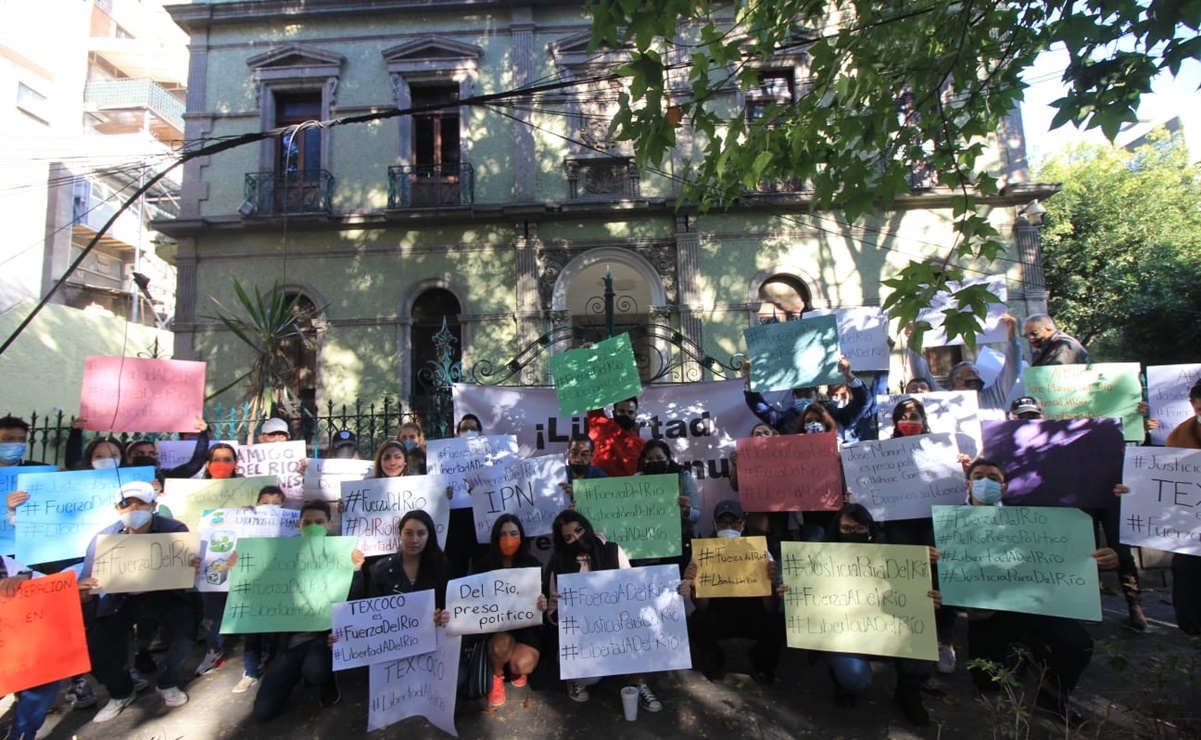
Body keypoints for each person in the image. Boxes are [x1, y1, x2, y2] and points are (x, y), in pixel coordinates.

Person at [961, 458, 1118, 725]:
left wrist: (1106, 559)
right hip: (986, 613)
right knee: (987, 683)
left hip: (1035, 604)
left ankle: (1055, 694)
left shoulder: (1034, 519)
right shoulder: (946, 522)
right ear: (967, 484)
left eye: (993, 478)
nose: (984, 482)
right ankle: (1019, 654)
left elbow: (1068, 554)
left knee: (1077, 644)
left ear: (1003, 488)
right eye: (978, 476)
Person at [79, 481, 198, 723]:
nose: (133, 508)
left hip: (166, 594)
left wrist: (192, 565)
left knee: (185, 636)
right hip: (121, 599)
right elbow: (84, 588)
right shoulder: (103, 538)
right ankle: (121, 692)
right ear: (117, 509)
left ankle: (167, 682)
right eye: (125, 503)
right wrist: (85, 589)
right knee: (97, 650)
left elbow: (190, 571)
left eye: (140, 502)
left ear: (154, 505)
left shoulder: (174, 529)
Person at [816, 503, 941, 725]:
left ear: (871, 530)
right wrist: (789, 592)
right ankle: (844, 685)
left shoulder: (893, 556)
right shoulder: (820, 557)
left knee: (923, 652)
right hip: (844, 633)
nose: (852, 534)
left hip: (887, 626)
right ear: (837, 529)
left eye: (860, 529)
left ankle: (908, 693)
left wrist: (927, 599)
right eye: (846, 529)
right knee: (854, 675)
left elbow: (910, 594)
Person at [252, 499, 366, 720]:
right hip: (289, 642)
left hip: (322, 638)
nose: (313, 526)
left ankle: (326, 678)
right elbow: (259, 588)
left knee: (316, 670)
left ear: (329, 524)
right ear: (298, 525)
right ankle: (296, 671)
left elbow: (354, 600)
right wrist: (240, 565)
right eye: (307, 522)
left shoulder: (341, 551)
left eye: (319, 522)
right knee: (262, 712)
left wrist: (357, 570)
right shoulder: (281, 553)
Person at [545, 510, 662, 712]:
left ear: (587, 527)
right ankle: (574, 676)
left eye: (579, 530)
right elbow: (553, 617)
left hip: (618, 623)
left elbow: (633, 591)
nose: (577, 538)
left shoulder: (613, 551)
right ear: (563, 542)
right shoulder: (560, 562)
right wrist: (554, 607)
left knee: (647, 624)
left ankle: (637, 681)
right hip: (583, 634)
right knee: (590, 677)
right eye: (569, 537)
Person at [681, 500, 784, 685]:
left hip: (753, 615)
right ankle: (714, 661)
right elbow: (702, 606)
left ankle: (763, 664)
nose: (728, 527)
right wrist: (695, 582)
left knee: (777, 624)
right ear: (714, 525)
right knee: (698, 622)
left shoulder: (760, 552)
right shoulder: (703, 554)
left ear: (742, 525)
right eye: (723, 523)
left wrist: (770, 581)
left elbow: (770, 609)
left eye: (733, 523)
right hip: (719, 615)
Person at [472, 514, 547, 707]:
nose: (508, 539)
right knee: (501, 644)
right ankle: (497, 675)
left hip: (525, 627)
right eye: (503, 534)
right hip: (496, 629)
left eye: (513, 533)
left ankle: (513, 668)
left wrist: (542, 603)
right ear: (496, 538)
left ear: (521, 536)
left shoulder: (531, 563)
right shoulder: (484, 565)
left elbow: (540, 598)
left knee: (524, 663)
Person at [234, 486, 289, 693]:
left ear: (284, 506)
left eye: (276, 504)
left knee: (275, 630)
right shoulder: (248, 519)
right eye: (265, 503)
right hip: (252, 582)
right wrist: (242, 517)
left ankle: (273, 670)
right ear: (257, 503)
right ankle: (250, 671)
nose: (270, 508)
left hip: (279, 582)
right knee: (252, 632)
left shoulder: (291, 524)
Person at [904, 314, 1020, 412]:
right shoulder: (940, 395)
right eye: (971, 373)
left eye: (977, 373)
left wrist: (1012, 339)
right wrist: (914, 339)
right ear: (957, 379)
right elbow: (919, 369)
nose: (978, 376)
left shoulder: (992, 397)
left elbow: (1012, 370)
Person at [1160, 378, 1201, 635]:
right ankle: (1193, 630)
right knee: (1185, 568)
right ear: (1192, 405)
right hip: (1194, 521)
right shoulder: (1180, 435)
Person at [743, 356, 867, 436]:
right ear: (793, 397)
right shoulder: (784, 420)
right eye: (799, 394)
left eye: (808, 393)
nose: (804, 397)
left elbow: (864, 402)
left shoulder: (838, 417)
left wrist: (848, 376)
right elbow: (758, 406)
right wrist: (750, 379)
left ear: (817, 395)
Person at [635, 440, 700, 570]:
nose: (654, 462)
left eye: (659, 458)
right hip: (649, 547)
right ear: (644, 460)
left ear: (668, 459)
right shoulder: (636, 481)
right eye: (650, 459)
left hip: (679, 544)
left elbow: (697, 515)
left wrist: (687, 511)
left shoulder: (683, 477)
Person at [586, 397, 645, 477]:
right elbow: (592, 397)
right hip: (595, 487)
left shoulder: (642, 445)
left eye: (630, 412)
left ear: (635, 415)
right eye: (622, 411)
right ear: (614, 412)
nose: (626, 415)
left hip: (626, 488)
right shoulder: (600, 423)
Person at [559, 434, 608, 506]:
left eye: (584, 454)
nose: (578, 458)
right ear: (568, 454)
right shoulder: (558, 475)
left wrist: (579, 495)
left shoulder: (600, 477)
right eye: (574, 453)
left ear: (591, 457)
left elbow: (606, 505)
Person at [1023, 314, 1089, 366]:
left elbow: (1058, 375)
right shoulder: (1045, 347)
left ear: (1049, 327)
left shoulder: (1064, 345)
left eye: (1034, 333)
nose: (1031, 338)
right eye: (1027, 335)